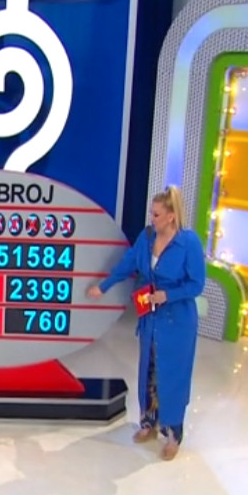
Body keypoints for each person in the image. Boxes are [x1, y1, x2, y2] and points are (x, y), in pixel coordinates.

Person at [87, 186, 206, 461]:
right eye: (151, 213)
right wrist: (103, 286)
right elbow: (127, 264)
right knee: (149, 371)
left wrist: (168, 295)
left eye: (156, 214)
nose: (151, 218)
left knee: (173, 376)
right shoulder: (147, 236)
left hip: (177, 322)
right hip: (150, 318)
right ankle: (148, 423)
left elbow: (196, 284)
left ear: (171, 216)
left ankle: (173, 434)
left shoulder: (189, 243)